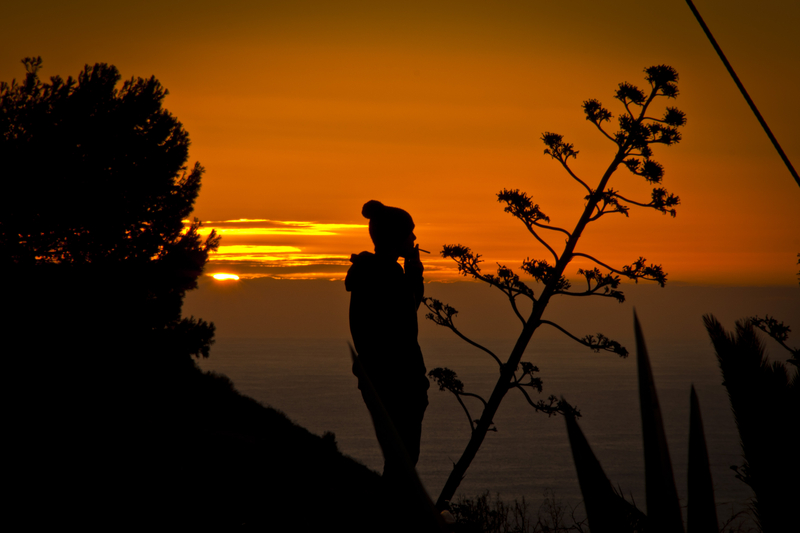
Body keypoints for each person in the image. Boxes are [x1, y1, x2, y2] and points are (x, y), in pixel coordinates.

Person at [345, 200, 429, 481]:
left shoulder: (372, 272)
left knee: (398, 455)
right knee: (403, 458)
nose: (414, 238)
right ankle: (392, 505)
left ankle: (391, 502)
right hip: (397, 380)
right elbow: (406, 314)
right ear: (396, 237)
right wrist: (414, 270)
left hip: (379, 376)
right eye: (409, 232)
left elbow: (406, 309)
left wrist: (411, 270)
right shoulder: (387, 275)